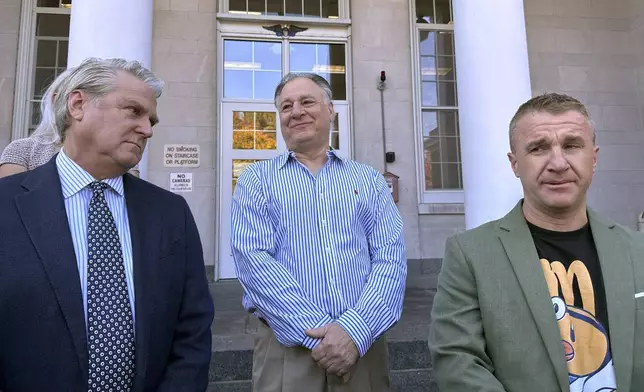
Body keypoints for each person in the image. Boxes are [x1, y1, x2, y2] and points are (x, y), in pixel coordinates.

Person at [0, 57, 214, 392]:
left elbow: (192, 329)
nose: (147, 129)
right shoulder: (7, 204)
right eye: (133, 111)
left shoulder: (171, 213)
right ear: (78, 104)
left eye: (151, 119)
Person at [428, 93, 644, 391]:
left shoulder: (637, 249)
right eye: (539, 148)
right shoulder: (470, 255)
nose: (558, 163)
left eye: (571, 145)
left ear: (593, 158)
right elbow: (458, 362)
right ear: (515, 164)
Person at [230, 72, 407, 392]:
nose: (296, 111)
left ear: (330, 110)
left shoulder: (367, 180)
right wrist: (319, 335)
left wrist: (354, 331)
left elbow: (389, 258)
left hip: (362, 348)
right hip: (288, 352)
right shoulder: (256, 180)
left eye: (307, 101)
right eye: (286, 106)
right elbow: (253, 261)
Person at [0, 69, 139, 178]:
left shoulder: (120, 152)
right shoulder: (24, 150)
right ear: (57, 100)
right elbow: (12, 205)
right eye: (78, 102)